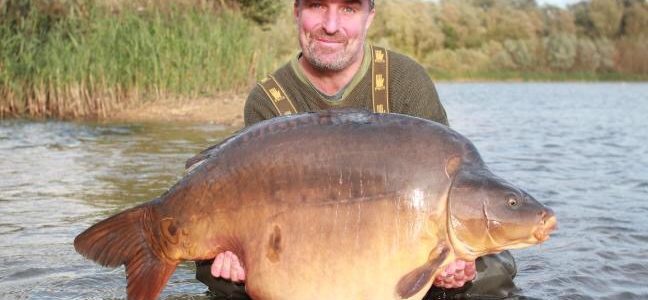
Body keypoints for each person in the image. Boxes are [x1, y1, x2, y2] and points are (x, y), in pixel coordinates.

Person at [195, 0, 517, 299]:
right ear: (296, 11)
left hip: (398, 244)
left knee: (493, 266)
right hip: (307, 244)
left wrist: (457, 262)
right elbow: (252, 207)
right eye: (317, 5)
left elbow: (447, 192)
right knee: (215, 272)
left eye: (349, 9)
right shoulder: (270, 100)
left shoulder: (406, 82)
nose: (331, 25)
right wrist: (237, 253)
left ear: (369, 18)